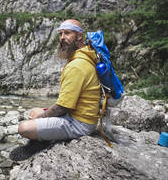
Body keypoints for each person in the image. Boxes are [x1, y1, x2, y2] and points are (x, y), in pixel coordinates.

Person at [10, 19, 101, 160]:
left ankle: (40, 143)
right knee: (34, 112)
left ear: (79, 36)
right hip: (76, 115)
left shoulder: (76, 65)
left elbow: (62, 107)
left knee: (24, 128)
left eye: (68, 33)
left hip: (80, 124)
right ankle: (45, 135)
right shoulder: (83, 57)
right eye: (61, 33)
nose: (62, 38)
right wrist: (40, 117)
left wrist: (41, 119)